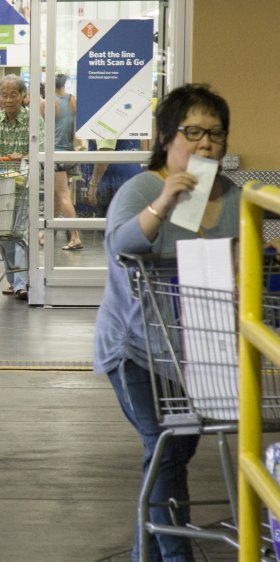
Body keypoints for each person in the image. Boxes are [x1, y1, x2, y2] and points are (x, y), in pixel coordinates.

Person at [95, 84, 235, 562]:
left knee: (168, 459)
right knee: (166, 451)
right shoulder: (143, 188)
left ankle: (146, 555)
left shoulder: (230, 195)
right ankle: (179, 558)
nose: (205, 144)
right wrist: (165, 202)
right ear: (165, 137)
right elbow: (119, 245)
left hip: (198, 351)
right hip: (135, 350)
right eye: (192, 131)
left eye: (215, 134)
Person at [0, 75, 41, 301]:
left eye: (13, 94)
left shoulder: (34, 120)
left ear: (23, 96)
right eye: (4, 95)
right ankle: (14, 280)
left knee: (21, 231)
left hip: (25, 184)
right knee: (2, 234)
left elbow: (40, 149)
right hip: (0, 184)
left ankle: (22, 283)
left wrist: (24, 155)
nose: (8, 99)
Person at [49, 73, 83, 250]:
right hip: (70, 152)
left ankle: (75, 236)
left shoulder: (47, 102)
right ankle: (44, 233)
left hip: (56, 153)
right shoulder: (72, 100)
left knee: (62, 194)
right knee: (57, 195)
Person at [86, 139, 143, 218]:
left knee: (106, 225)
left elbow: (105, 153)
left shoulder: (105, 127)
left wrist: (94, 183)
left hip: (112, 181)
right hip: (132, 176)